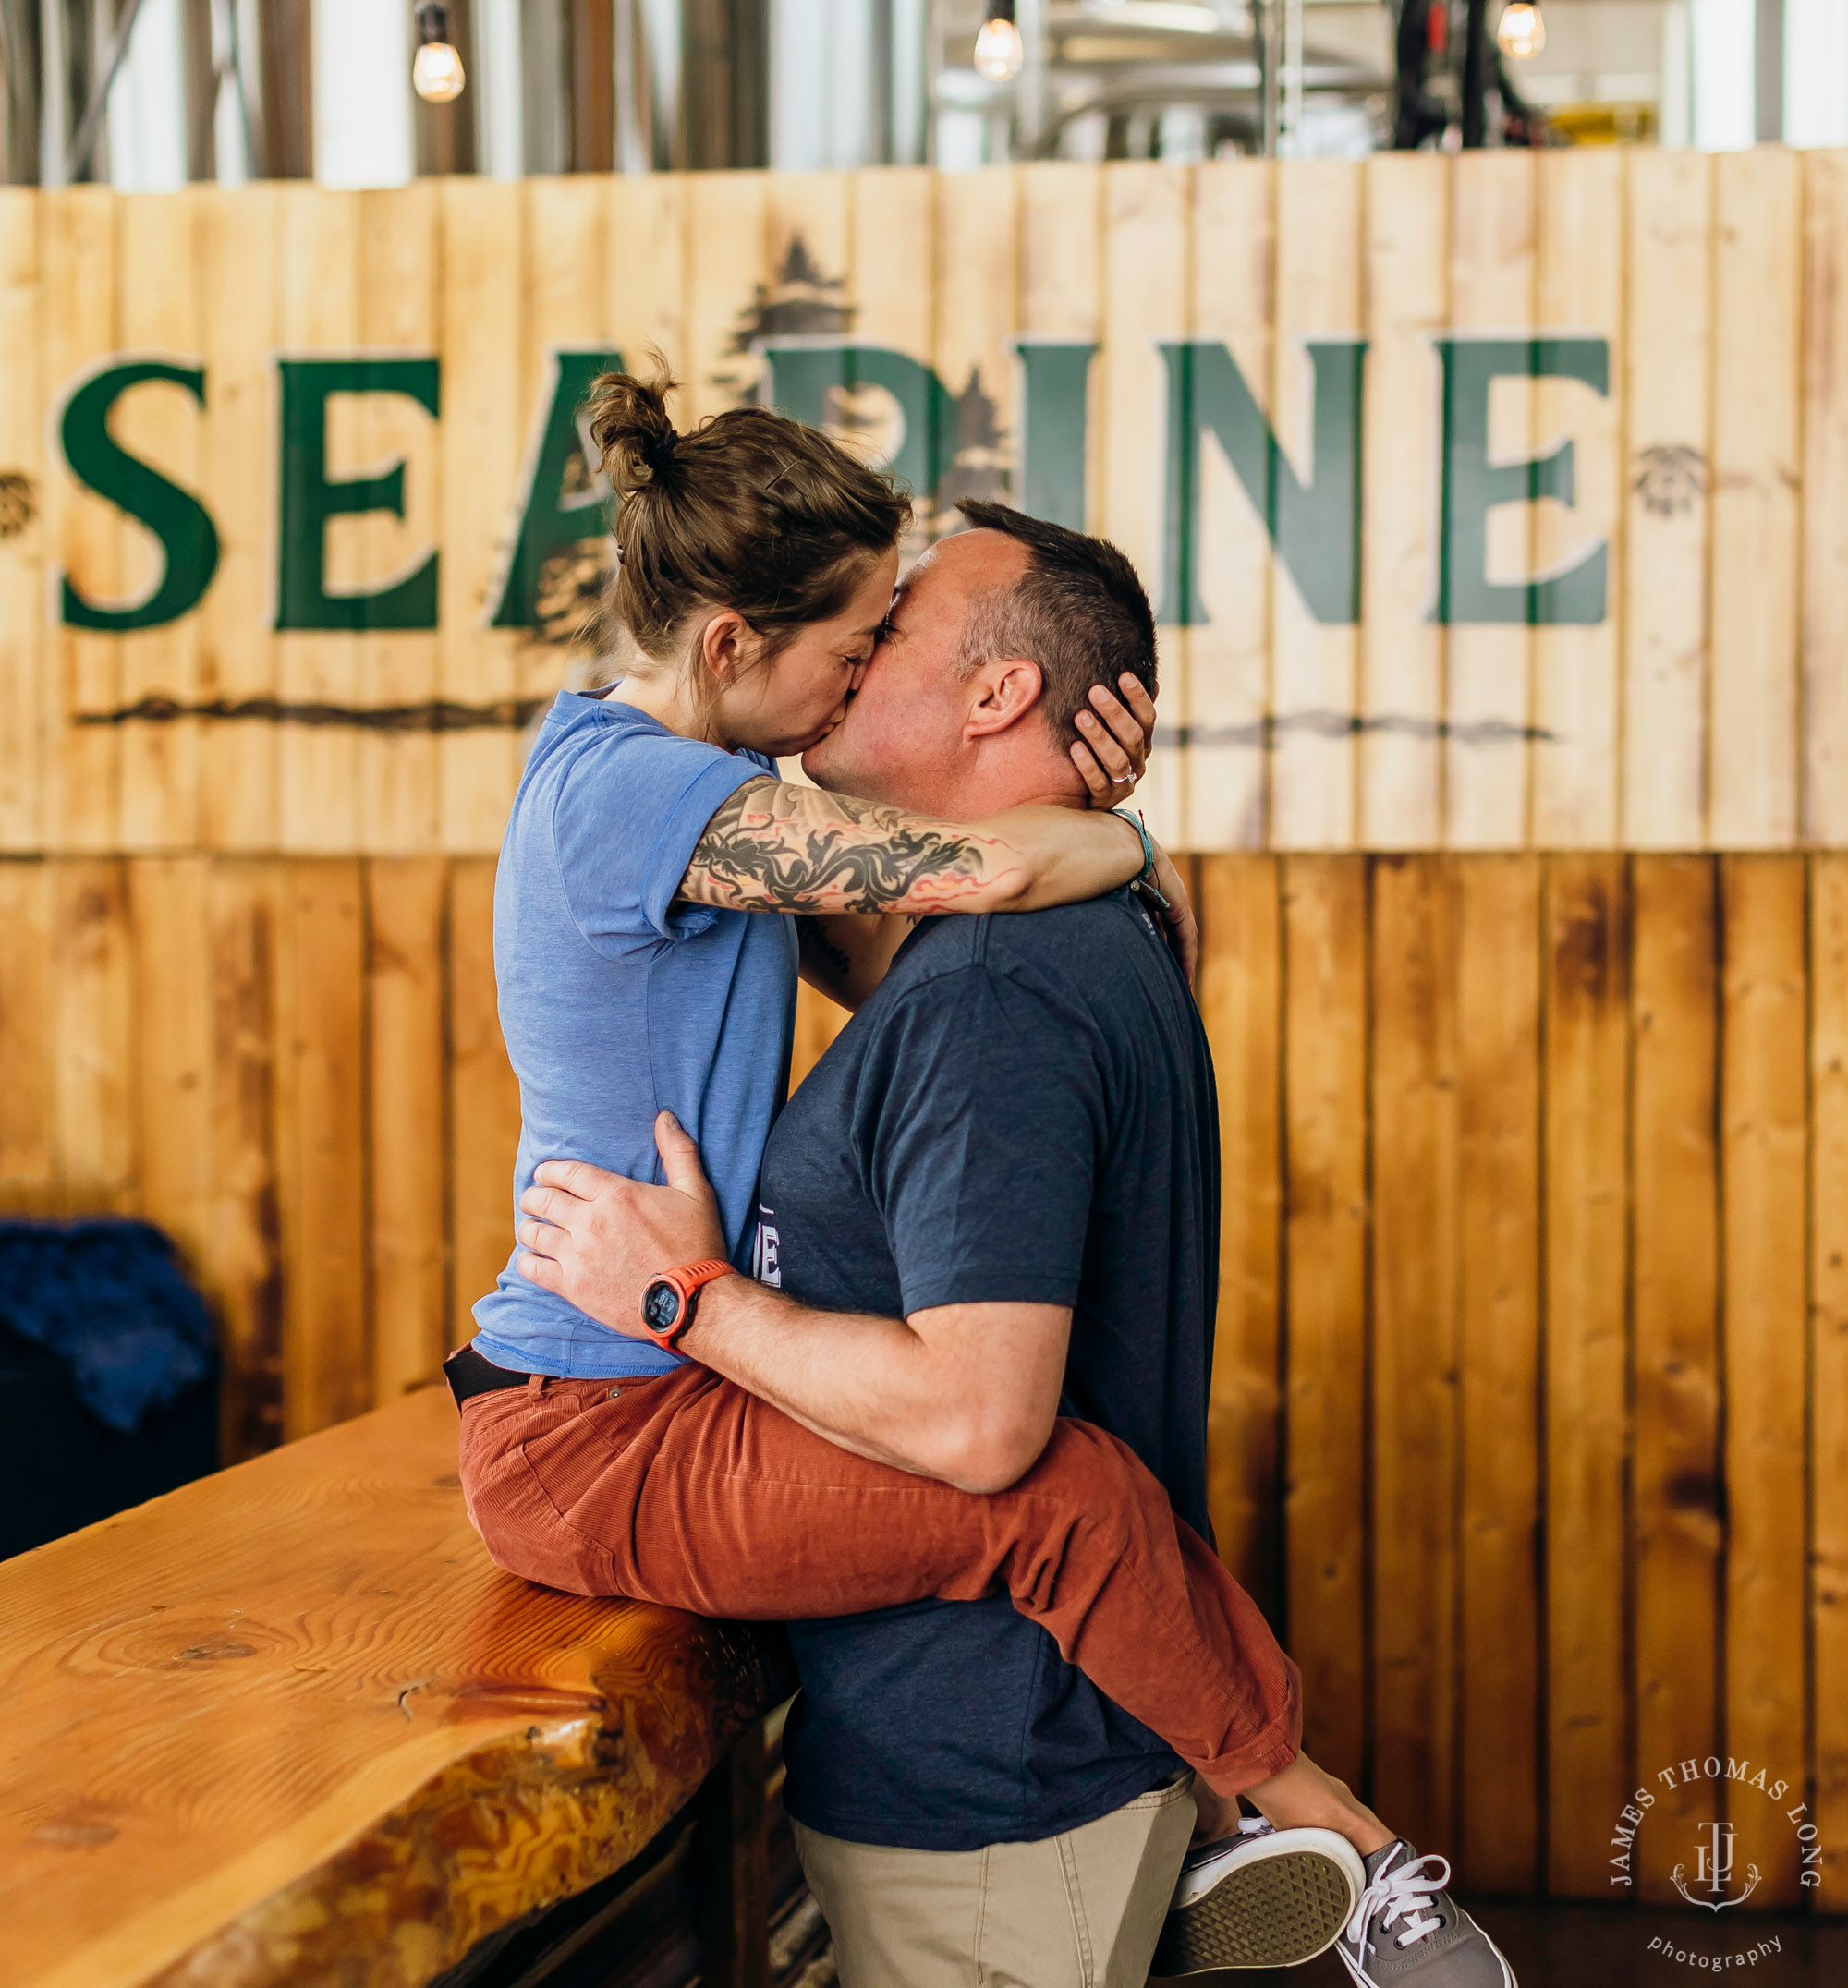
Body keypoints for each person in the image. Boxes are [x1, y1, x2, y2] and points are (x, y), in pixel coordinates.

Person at [504, 497, 1519, 1988]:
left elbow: (982, 1421)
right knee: (1071, 1496)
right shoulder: (1037, 939)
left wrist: (679, 1295)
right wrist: (1114, 838)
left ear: (996, 691)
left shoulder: (994, 990)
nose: (851, 675)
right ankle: (1267, 1796)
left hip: (987, 1790)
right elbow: (946, 910)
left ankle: (1311, 1815)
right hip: (1021, 1740)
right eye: (846, 641)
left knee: (1058, 1491)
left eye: (887, 638)